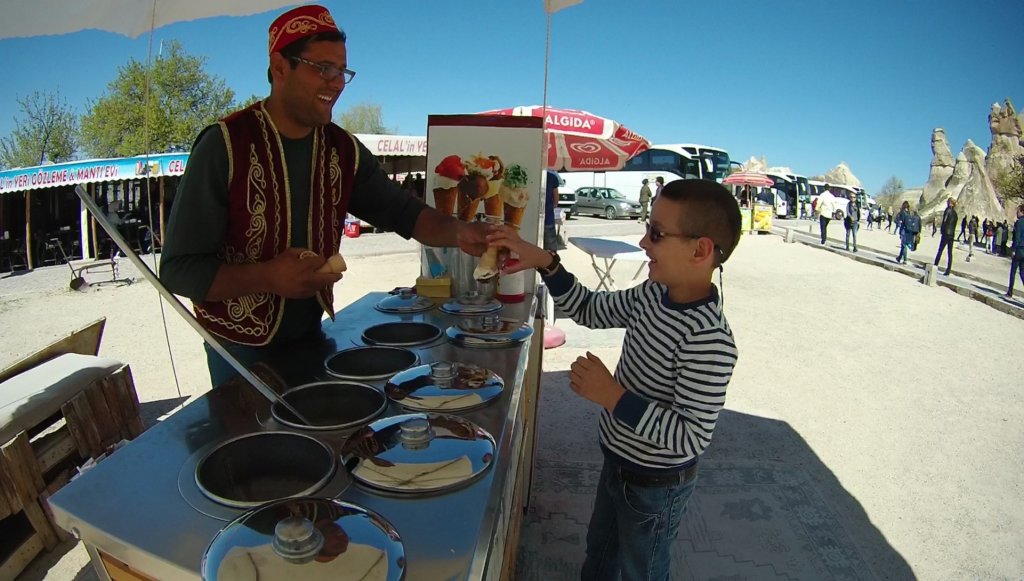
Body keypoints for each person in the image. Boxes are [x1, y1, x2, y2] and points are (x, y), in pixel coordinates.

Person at [159, 5, 489, 386]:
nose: (336, 83)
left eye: (342, 72)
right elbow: (178, 270)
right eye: (323, 68)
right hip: (238, 351)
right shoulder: (225, 146)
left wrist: (463, 233)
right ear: (280, 67)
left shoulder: (342, 150)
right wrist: (267, 276)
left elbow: (404, 212)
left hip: (310, 337)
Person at [489, 179, 740, 581]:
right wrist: (544, 262)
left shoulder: (709, 339)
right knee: (600, 552)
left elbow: (690, 435)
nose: (643, 243)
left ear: (701, 249)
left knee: (643, 569)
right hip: (617, 462)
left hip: (656, 485)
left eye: (656, 233)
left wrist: (613, 396)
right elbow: (589, 308)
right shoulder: (651, 294)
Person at [934, 198, 958, 276]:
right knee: (950, 252)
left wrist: (942, 230)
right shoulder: (955, 213)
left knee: (940, 250)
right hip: (952, 234)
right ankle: (948, 270)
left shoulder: (948, 210)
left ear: (950, 203)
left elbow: (944, 221)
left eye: (948, 202)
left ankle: (935, 265)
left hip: (946, 233)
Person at [1006, 204, 1024, 299]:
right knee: (1022, 272)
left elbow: (1017, 237)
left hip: (1019, 249)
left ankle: (1010, 292)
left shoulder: (1019, 222)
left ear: (1021, 211)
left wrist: (1013, 250)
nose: (1017, 213)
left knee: (1013, 271)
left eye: (1018, 211)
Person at [543, 170, 562, 251]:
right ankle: (551, 263)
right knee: (550, 249)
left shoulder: (533, 174)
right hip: (548, 217)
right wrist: (551, 207)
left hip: (531, 218)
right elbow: (556, 198)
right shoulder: (552, 176)